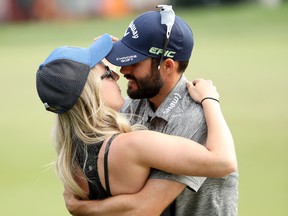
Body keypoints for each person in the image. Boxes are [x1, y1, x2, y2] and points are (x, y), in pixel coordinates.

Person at [64, 6, 239, 216]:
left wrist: (81, 208)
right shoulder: (133, 105)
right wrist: (96, 58)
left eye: (134, 62)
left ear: (167, 66)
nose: (123, 70)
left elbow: (146, 207)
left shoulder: (193, 117)